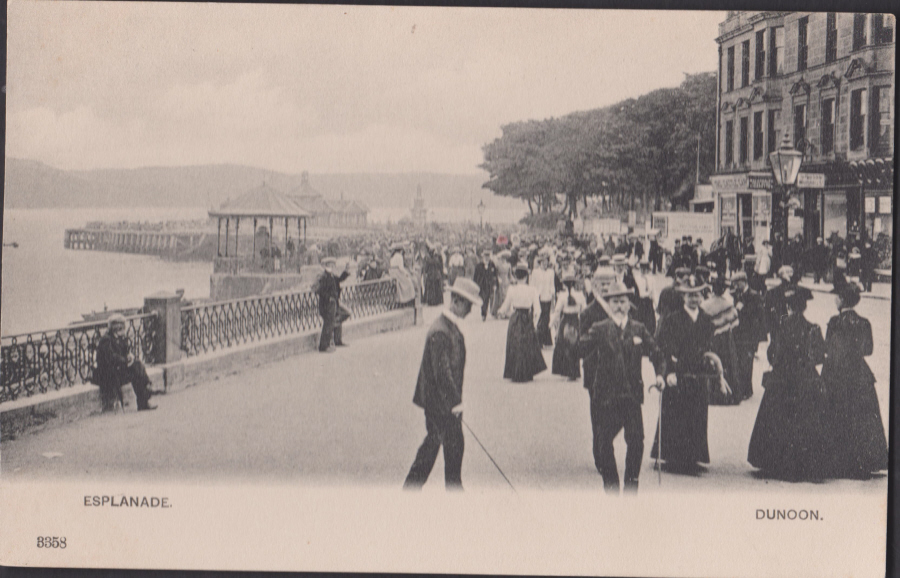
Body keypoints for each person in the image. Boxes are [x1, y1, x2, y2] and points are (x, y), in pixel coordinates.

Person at [571, 282, 664, 494]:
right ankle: (611, 487)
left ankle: (631, 486)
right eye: (615, 302)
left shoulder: (639, 328)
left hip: (631, 396)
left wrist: (660, 375)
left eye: (623, 301)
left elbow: (657, 354)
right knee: (604, 443)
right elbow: (579, 350)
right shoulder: (600, 328)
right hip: (605, 396)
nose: (620, 306)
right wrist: (570, 339)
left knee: (636, 441)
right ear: (609, 304)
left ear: (629, 304)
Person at [404, 278, 482, 490]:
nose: (470, 310)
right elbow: (442, 374)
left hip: (444, 404)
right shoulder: (440, 331)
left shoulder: (449, 327)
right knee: (436, 448)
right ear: (456, 301)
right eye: (469, 305)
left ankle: (446, 490)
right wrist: (455, 403)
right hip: (440, 405)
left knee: (447, 448)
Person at [747, 287, 828, 481]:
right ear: (804, 307)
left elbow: (773, 354)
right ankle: (804, 464)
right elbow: (819, 356)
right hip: (805, 378)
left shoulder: (782, 326)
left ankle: (775, 462)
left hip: (781, 378)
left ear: (789, 307)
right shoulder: (813, 328)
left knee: (777, 418)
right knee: (805, 419)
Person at [650, 274, 730, 472]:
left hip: (698, 374)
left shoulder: (706, 320)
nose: (694, 299)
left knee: (697, 413)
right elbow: (663, 348)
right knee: (676, 414)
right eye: (689, 296)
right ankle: (674, 458)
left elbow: (712, 346)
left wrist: (716, 371)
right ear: (683, 297)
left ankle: (694, 456)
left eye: (697, 295)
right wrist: (667, 372)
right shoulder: (672, 319)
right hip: (678, 374)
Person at [821, 282, 888, 478]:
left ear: (842, 300)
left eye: (837, 297)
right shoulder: (864, 322)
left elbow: (827, 348)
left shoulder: (834, 322)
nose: (835, 300)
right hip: (858, 373)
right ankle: (861, 460)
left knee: (835, 412)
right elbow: (868, 350)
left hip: (835, 372)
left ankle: (836, 460)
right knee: (861, 416)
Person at [576, 267, 615, 472]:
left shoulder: (620, 309)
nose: (607, 287)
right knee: (599, 417)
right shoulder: (588, 313)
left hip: (618, 373)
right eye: (603, 283)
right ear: (596, 286)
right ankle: (601, 457)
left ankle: (605, 451)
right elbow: (582, 345)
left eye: (610, 282)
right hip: (596, 373)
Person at [94, 314, 156, 411]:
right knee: (136, 368)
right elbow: (112, 358)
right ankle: (147, 389)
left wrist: (129, 356)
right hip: (107, 374)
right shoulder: (106, 340)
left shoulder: (119, 338)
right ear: (117, 328)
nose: (124, 329)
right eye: (122, 327)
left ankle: (144, 398)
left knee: (137, 365)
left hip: (117, 370)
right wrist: (126, 361)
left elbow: (125, 352)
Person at [498, 263, 547, 383]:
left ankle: (515, 372)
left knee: (515, 344)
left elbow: (506, 305)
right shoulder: (532, 290)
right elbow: (538, 309)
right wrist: (535, 322)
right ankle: (527, 372)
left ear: (515, 276)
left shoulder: (512, 289)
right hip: (526, 317)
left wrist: (501, 312)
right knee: (527, 345)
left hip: (515, 318)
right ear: (526, 277)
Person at [702, 274, 741, 405]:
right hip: (725, 339)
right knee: (728, 363)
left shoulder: (705, 304)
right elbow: (735, 323)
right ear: (724, 289)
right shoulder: (728, 304)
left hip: (710, 338)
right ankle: (728, 394)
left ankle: (711, 393)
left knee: (711, 363)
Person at [730, 272, 765, 402]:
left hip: (749, 335)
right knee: (739, 360)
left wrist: (758, 338)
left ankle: (747, 390)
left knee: (747, 362)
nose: (735, 285)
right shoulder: (737, 295)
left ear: (743, 282)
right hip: (738, 334)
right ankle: (742, 388)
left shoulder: (754, 295)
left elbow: (760, 316)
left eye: (737, 283)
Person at [550, 269, 587, 381]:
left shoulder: (562, 296)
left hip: (565, 321)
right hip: (576, 321)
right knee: (574, 345)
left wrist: (551, 323)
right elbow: (584, 310)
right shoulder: (580, 295)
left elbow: (557, 311)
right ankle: (574, 371)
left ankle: (566, 370)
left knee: (564, 345)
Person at [317, 258, 350, 352]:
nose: (332, 267)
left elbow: (339, 279)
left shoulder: (331, 276)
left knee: (342, 315)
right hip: (326, 304)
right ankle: (324, 346)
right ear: (326, 266)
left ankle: (337, 340)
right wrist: (329, 298)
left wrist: (346, 271)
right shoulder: (323, 276)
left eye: (333, 265)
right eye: (330, 265)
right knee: (328, 324)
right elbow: (320, 291)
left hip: (334, 303)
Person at [530, 252, 556, 346]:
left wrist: (553, 299)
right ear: (540, 262)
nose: (545, 263)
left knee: (546, 318)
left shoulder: (551, 272)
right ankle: (538, 341)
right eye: (543, 262)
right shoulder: (535, 272)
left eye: (546, 262)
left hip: (547, 297)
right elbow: (532, 285)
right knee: (539, 319)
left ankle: (546, 340)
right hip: (538, 297)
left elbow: (552, 285)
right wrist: (533, 297)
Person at [473, 251, 498, 321]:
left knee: (490, 299)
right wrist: (475, 286)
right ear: (483, 257)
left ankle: (491, 312)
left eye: (488, 256)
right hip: (482, 285)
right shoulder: (479, 266)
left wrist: (495, 284)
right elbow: (475, 276)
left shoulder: (492, 264)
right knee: (484, 299)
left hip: (490, 285)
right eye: (485, 257)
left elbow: (495, 275)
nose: (487, 258)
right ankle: (483, 314)